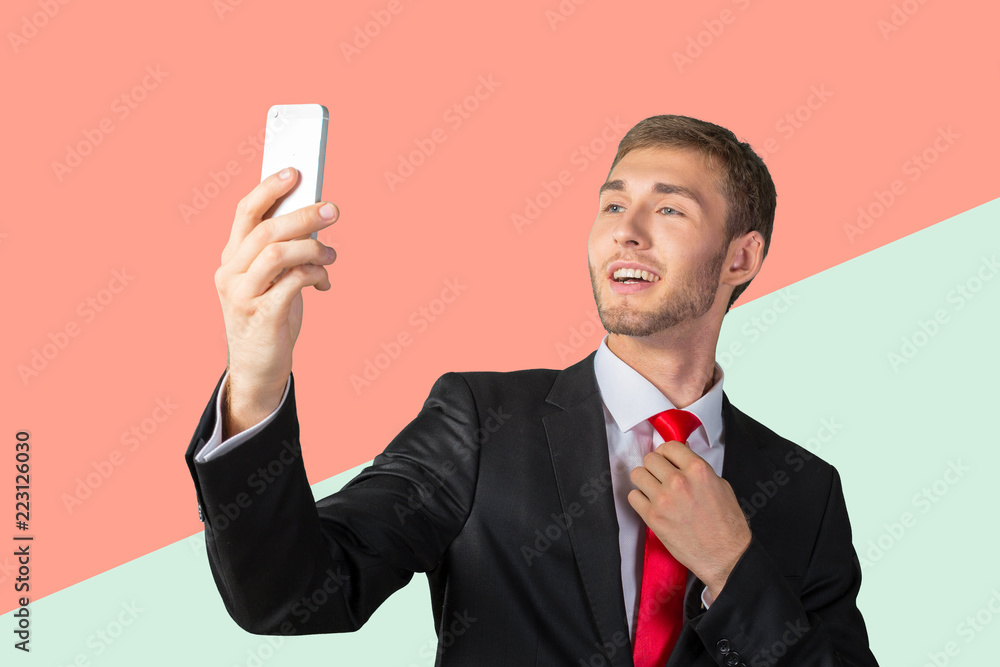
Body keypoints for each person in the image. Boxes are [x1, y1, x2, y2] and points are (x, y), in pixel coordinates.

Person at [184, 114, 879, 666]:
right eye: (612, 206)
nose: (626, 234)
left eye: (669, 212)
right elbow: (291, 596)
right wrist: (254, 374)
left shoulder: (804, 491)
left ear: (741, 257)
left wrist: (733, 566)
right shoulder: (481, 423)